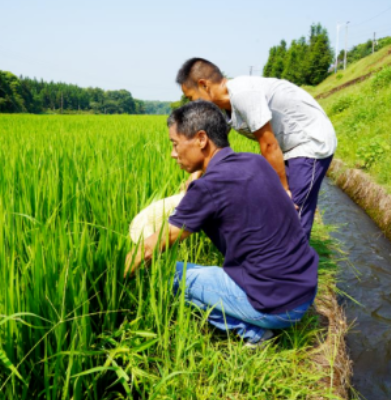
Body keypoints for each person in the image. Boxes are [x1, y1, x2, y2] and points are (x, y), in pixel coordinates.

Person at [125, 100, 318, 345]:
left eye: (175, 144)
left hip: (275, 306)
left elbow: (152, 247)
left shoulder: (207, 189)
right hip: (303, 291)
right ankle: (256, 325)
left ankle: (254, 333)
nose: (173, 153)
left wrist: (111, 279)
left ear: (201, 139)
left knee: (162, 272)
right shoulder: (255, 162)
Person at [175, 58, 337, 239]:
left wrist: (282, 191)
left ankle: (296, 263)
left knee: (292, 211)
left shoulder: (244, 94)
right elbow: (214, 145)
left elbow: (268, 143)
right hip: (287, 146)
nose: (193, 105)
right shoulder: (221, 108)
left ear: (204, 85)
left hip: (310, 141)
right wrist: (194, 178)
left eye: (191, 98)